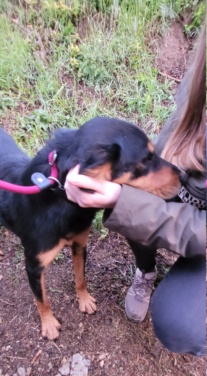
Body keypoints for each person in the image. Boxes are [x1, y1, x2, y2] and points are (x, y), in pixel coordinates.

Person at [64, 25, 206, 357]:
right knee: (134, 202)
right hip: (193, 197)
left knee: (180, 322)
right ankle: (147, 270)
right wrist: (123, 196)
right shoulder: (199, 76)